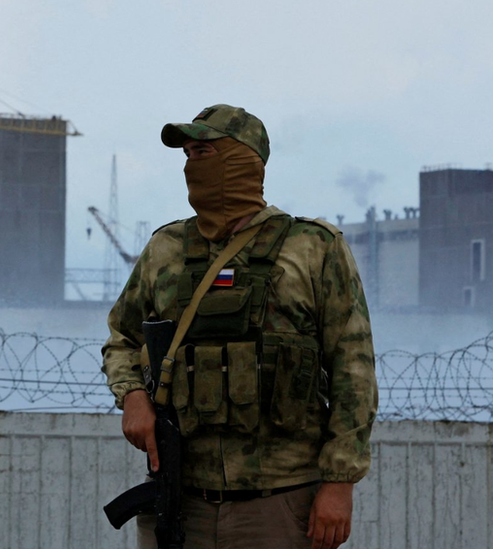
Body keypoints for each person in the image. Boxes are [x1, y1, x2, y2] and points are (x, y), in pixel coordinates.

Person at [101, 104, 378, 549]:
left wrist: (339, 482)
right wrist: (132, 395)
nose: (192, 164)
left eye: (204, 151)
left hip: (279, 502)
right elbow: (122, 337)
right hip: (181, 498)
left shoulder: (312, 247)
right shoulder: (166, 248)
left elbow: (354, 370)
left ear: (244, 160)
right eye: (188, 154)